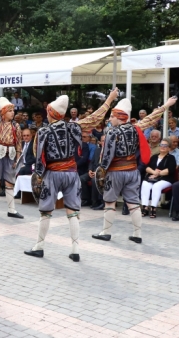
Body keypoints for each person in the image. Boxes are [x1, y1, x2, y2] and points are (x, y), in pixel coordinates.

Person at [25, 90, 118, 262]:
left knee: (46, 212)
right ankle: (75, 249)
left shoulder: (43, 131)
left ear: (51, 113)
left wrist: (38, 175)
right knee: (73, 212)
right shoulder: (74, 126)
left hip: (52, 174)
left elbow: (38, 156)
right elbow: (95, 118)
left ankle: (39, 246)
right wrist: (110, 99)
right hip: (71, 173)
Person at [92, 96, 177, 244]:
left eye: (112, 116)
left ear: (119, 117)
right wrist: (166, 105)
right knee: (133, 204)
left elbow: (107, 156)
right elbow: (151, 118)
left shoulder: (112, 132)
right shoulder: (136, 128)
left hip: (116, 172)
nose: (110, 119)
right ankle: (137, 234)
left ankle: (106, 232)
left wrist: (102, 170)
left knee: (110, 202)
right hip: (132, 171)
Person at [140, 139, 176, 218]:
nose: (163, 147)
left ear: (169, 148)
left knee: (156, 186)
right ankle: (145, 206)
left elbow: (169, 170)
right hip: (152, 178)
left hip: (166, 179)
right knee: (145, 184)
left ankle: (153, 208)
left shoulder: (171, 158)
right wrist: (154, 172)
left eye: (165, 145)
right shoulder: (154, 156)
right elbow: (147, 168)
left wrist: (157, 173)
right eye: (161, 145)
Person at [81, 135, 105, 210]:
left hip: (102, 172)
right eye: (102, 141)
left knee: (94, 180)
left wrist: (97, 172)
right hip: (93, 171)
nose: (103, 142)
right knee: (81, 179)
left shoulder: (109, 151)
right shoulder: (97, 150)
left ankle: (96, 202)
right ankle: (86, 199)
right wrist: (90, 170)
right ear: (100, 142)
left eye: (105, 141)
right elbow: (91, 162)